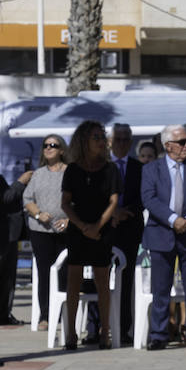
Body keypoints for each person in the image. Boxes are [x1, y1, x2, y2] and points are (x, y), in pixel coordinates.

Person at [141, 125, 186, 350]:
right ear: (168, 145)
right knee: (161, 288)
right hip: (161, 233)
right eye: (182, 142)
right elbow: (149, 199)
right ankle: (159, 335)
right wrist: (173, 219)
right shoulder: (152, 169)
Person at [59, 120, 121, 350]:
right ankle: (71, 332)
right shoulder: (73, 169)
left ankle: (105, 331)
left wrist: (97, 226)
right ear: (84, 140)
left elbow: (114, 201)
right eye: (96, 137)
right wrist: (83, 226)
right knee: (73, 281)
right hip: (77, 228)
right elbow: (65, 203)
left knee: (102, 280)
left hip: (102, 228)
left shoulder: (110, 169)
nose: (101, 141)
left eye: (102, 136)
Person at [23, 134, 70, 329]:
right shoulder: (38, 174)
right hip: (40, 231)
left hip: (66, 230)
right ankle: (46, 316)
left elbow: (78, 200)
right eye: (45, 145)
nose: (49, 148)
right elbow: (27, 200)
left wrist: (69, 220)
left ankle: (67, 315)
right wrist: (38, 214)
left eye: (53, 145)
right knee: (44, 273)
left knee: (65, 273)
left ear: (61, 150)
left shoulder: (70, 172)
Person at [0, 142, 29, 326]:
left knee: (7, 277)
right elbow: (4, 199)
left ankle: (5, 313)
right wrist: (21, 182)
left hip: (8, 235)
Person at [109, 123, 145, 345]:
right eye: (118, 139)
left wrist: (125, 213)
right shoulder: (102, 166)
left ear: (130, 143)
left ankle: (124, 328)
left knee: (128, 281)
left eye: (125, 139)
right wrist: (112, 213)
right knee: (101, 280)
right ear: (111, 141)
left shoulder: (139, 167)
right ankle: (99, 327)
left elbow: (144, 197)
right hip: (106, 229)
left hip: (130, 230)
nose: (121, 143)